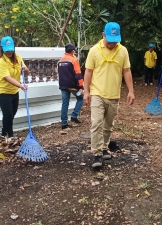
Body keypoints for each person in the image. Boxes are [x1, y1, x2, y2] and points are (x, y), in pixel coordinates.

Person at [83, 22, 135, 168]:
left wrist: (131, 91)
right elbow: (88, 72)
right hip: (97, 92)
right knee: (96, 123)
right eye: (110, 40)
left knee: (108, 124)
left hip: (114, 94)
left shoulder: (123, 51)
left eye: (115, 40)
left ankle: (105, 147)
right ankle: (97, 154)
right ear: (103, 35)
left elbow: (126, 71)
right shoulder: (94, 51)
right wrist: (86, 92)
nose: (112, 43)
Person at [0, 36, 28, 138]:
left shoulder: (18, 57)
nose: (9, 52)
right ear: (2, 49)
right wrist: (20, 85)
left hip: (14, 90)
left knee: (12, 113)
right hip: (3, 90)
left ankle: (5, 133)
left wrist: (25, 69)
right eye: (7, 50)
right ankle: (8, 135)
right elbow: (7, 78)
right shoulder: (0, 61)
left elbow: (26, 72)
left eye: (11, 50)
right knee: (8, 114)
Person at [58, 43, 84, 129]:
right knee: (81, 98)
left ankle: (64, 124)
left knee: (65, 103)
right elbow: (78, 74)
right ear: (73, 51)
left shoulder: (61, 60)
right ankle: (74, 116)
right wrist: (81, 87)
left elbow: (59, 72)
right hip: (72, 85)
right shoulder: (73, 60)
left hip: (63, 85)